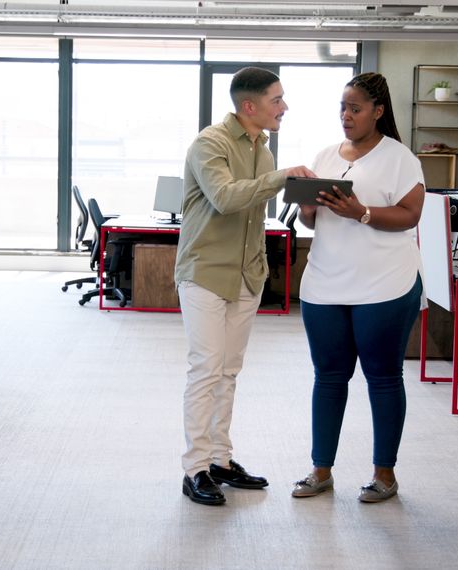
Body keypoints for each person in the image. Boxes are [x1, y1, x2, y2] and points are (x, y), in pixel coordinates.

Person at [176, 67, 315, 506]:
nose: (284, 107)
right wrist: (282, 179)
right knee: (206, 369)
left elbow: (254, 218)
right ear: (250, 106)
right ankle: (195, 468)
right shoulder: (209, 144)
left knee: (229, 372)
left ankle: (220, 460)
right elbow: (227, 198)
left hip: (245, 276)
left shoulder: (264, 150)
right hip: (205, 272)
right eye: (277, 100)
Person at [290, 72, 426, 503]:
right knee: (328, 378)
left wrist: (361, 212)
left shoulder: (399, 157)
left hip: (384, 285)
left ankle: (384, 474)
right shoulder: (326, 155)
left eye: (355, 108)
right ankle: (320, 470)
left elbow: (410, 215)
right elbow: (310, 221)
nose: (346, 117)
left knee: (383, 378)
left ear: (378, 111)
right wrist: (308, 207)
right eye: (342, 109)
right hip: (325, 284)